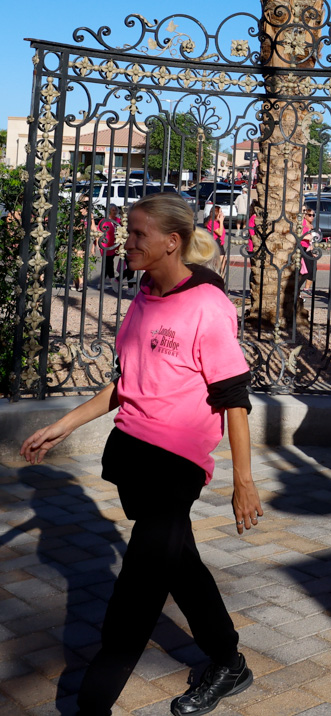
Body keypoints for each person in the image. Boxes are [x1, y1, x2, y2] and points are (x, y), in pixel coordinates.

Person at [20, 193, 262, 715]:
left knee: (137, 589)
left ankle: (91, 704)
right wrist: (62, 426)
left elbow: (233, 399)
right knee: (181, 564)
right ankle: (229, 662)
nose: (124, 242)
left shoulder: (208, 307)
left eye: (136, 235)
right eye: (127, 233)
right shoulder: (145, 294)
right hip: (133, 455)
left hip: (178, 465)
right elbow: (126, 384)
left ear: (171, 242)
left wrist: (243, 480)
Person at [95, 205, 122, 289]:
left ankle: (101, 283)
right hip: (105, 244)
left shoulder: (118, 220)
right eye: (112, 210)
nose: (114, 212)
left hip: (115, 245)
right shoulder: (104, 220)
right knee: (109, 263)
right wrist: (96, 244)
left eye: (115, 210)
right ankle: (113, 280)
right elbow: (98, 233)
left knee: (108, 264)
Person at [299, 206, 319, 296]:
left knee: (314, 268)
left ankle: (306, 288)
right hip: (301, 248)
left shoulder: (311, 226)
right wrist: (307, 237)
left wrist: (312, 250)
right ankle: (296, 288)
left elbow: (311, 240)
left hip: (308, 249)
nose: (312, 217)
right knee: (307, 270)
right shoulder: (302, 223)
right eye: (310, 215)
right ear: (305, 215)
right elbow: (298, 235)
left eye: (313, 215)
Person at [206, 204, 228, 277]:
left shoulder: (217, 222)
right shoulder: (211, 222)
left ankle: (221, 274)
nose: (222, 213)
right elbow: (220, 233)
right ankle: (218, 275)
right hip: (216, 242)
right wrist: (221, 221)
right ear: (216, 213)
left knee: (223, 259)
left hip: (220, 242)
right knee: (220, 260)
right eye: (220, 212)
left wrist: (221, 222)